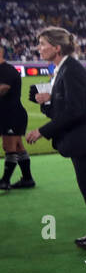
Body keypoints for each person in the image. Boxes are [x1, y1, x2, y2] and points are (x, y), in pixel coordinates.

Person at [26, 28, 86, 248]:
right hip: (78, 138)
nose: (39, 48)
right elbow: (67, 105)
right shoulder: (65, 68)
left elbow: (75, 111)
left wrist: (42, 131)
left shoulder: (71, 70)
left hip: (81, 138)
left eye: (43, 44)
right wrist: (48, 101)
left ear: (56, 48)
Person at [0, 42, 35, 190]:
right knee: (18, 146)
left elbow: (3, 89)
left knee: (9, 146)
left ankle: (4, 181)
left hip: (11, 114)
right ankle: (27, 179)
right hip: (8, 113)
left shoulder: (6, 70)